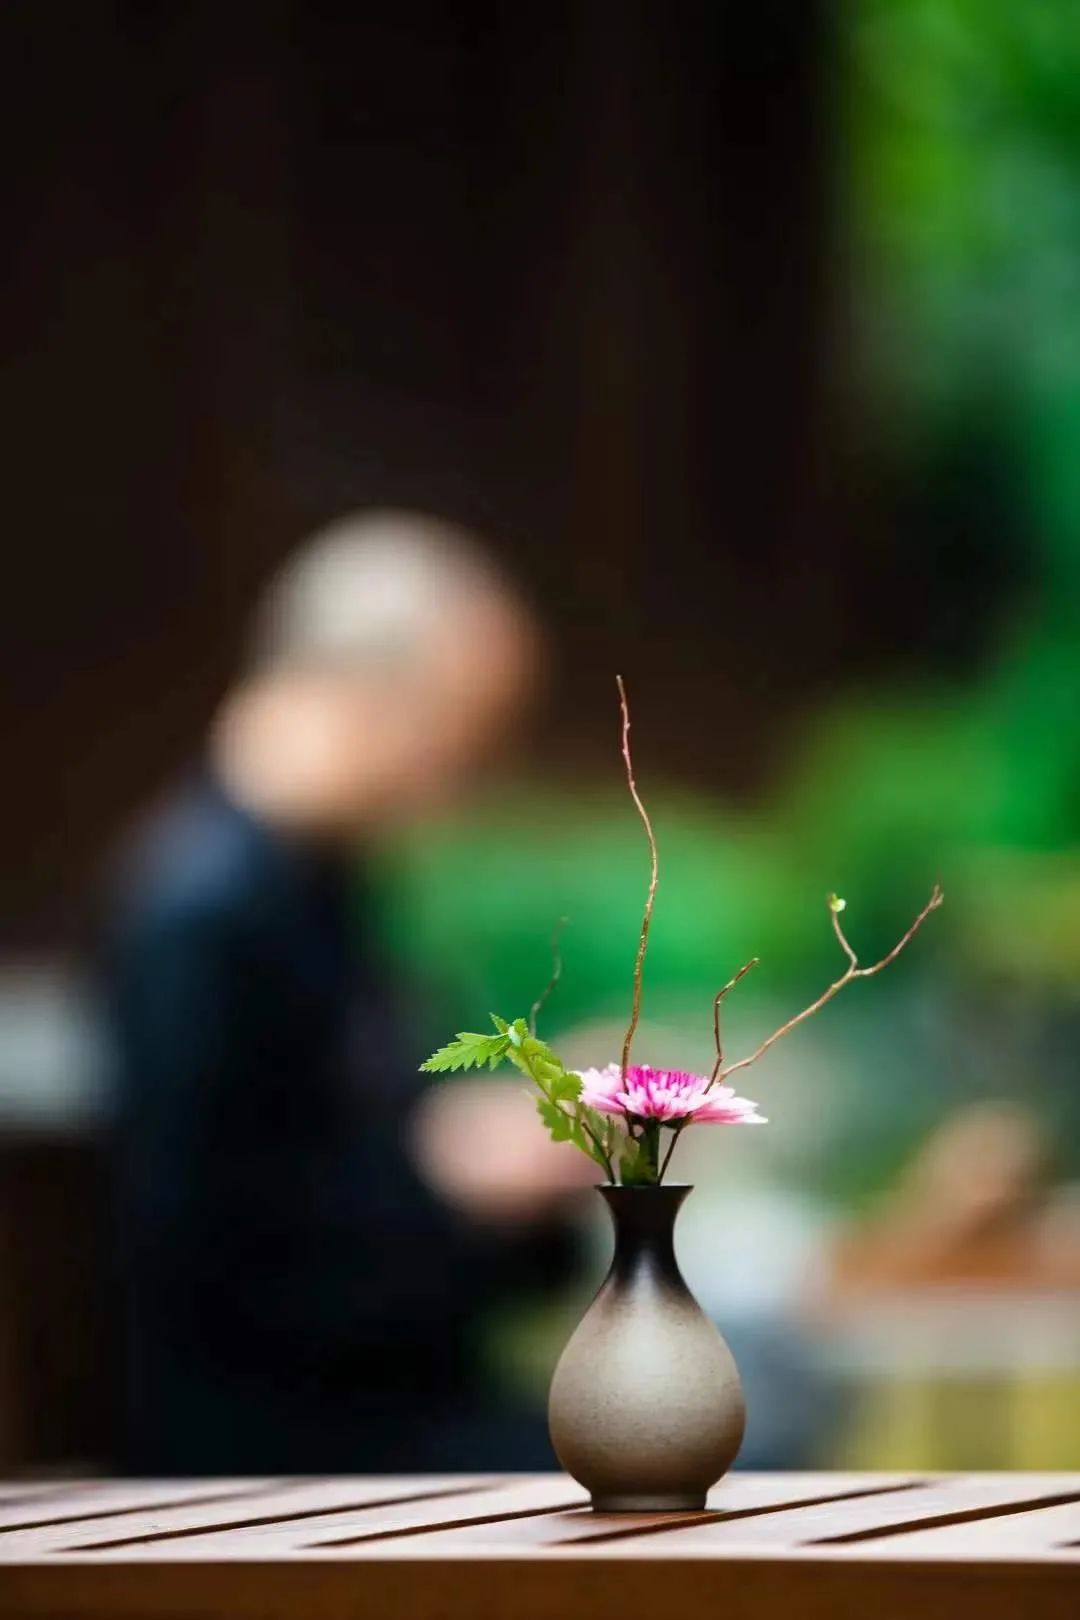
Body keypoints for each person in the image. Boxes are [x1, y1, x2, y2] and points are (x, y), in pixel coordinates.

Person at [104, 510, 583, 1474]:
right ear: (373, 696)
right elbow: (216, 1258)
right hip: (271, 1454)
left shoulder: (317, 887)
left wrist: (489, 1166)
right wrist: (452, 1186)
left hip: (380, 1407)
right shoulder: (200, 914)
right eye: (469, 731)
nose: (467, 777)